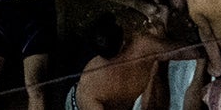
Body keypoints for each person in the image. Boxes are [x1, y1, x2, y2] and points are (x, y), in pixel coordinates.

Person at [67, 14, 199, 110]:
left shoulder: (143, 45)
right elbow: (193, 52)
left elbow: (191, 52)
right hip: (77, 104)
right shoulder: (91, 87)